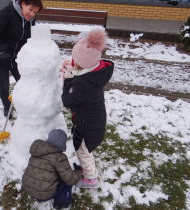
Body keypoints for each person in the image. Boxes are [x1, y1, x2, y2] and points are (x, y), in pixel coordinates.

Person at [61, 28, 114, 188]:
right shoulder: (93, 76)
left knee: (82, 151)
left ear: (82, 63)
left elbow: (68, 100)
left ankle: (91, 179)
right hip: (94, 121)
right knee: (84, 150)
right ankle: (88, 171)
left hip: (88, 127)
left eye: (75, 60)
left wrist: (67, 81)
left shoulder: (82, 84)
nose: (73, 62)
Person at [0, 0, 43, 118]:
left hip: (16, 58)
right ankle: (7, 107)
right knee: (4, 85)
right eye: (30, 9)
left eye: (35, 12)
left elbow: (31, 41)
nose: (32, 14)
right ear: (23, 4)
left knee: (23, 81)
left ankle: (26, 104)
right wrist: (1, 51)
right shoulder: (7, 13)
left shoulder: (31, 23)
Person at [22, 129, 82, 209]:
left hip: (27, 188)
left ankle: (36, 195)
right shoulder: (59, 157)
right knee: (66, 183)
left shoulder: (37, 151)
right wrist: (78, 172)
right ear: (62, 144)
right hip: (44, 194)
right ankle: (63, 203)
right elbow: (70, 179)